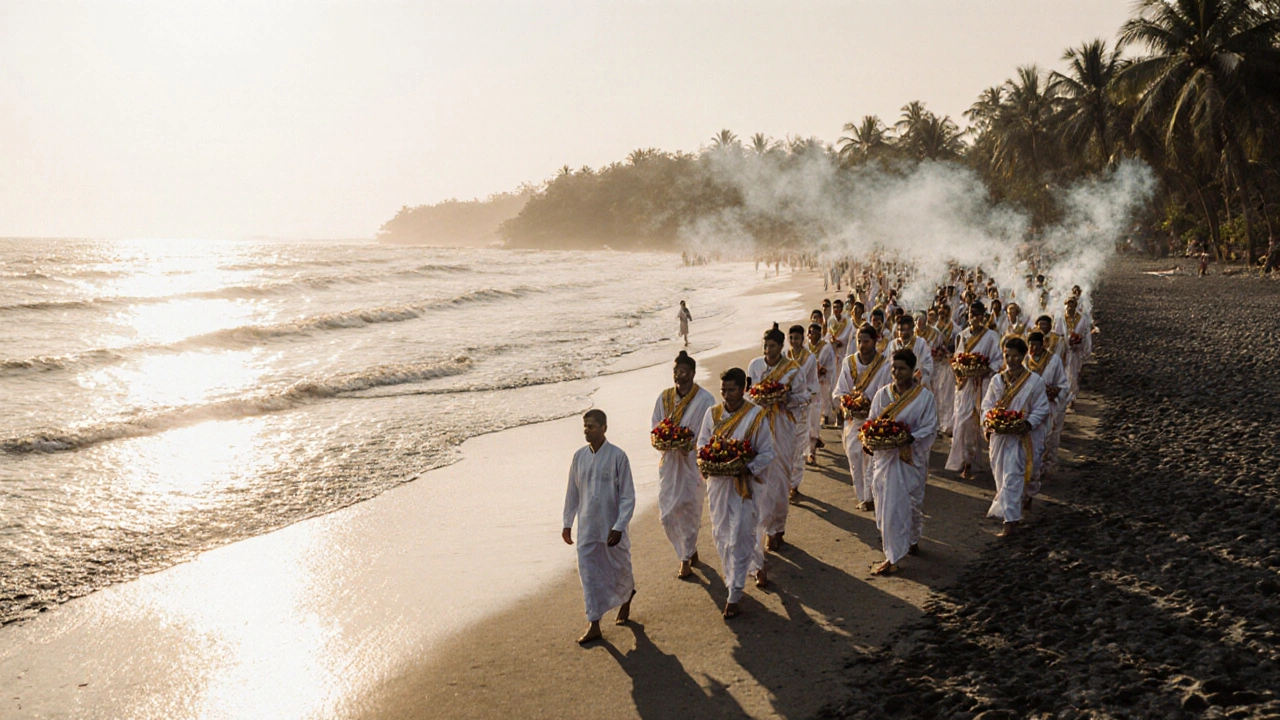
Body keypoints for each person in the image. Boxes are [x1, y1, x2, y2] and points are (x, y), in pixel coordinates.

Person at [697, 368, 776, 617]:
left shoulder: (755, 416)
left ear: (743, 388)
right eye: (723, 390)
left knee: (741, 531)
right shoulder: (713, 414)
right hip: (719, 484)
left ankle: (734, 591)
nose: (727, 395)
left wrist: (746, 467)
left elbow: (766, 453)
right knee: (721, 534)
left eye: (732, 390)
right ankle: (755, 566)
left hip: (745, 485)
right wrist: (710, 462)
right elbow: (702, 444)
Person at [562, 409, 636, 643]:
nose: (587, 431)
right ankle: (594, 623)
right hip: (587, 528)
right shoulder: (579, 457)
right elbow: (572, 493)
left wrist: (619, 526)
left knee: (619, 568)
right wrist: (567, 523)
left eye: (591, 426)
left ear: (604, 428)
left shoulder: (618, 457)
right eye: (585, 426)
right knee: (589, 573)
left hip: (611, 527)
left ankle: (626, 597)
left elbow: (627, 497)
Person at [866, 348, 938, 575]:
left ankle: (904, 546)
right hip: (885, 458)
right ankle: (894, 553)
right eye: (894, 368)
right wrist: (869, 441)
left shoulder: (925, 397)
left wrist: (909, 438)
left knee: (911, 503)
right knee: (886, 505)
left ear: (913, 370)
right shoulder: (882, 395)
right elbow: (871, 421)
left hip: (911, 459)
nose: (896, 372)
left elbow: (929, 427)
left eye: (902, 369)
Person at [651, 351, 715, 579]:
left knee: (689, 508)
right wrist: (665, 441)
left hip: (691, 464)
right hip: (669, 463)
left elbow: (710, 432)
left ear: (693, 373)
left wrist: (690, 445)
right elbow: (655, 427)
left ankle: (685, 557)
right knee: (667, 513)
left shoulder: (705, 400)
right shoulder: (664, 397)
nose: (679, 375)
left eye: (683, 371)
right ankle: (687, 548)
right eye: (676, 371)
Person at [747, 324, 809, 552]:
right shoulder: (754, 365)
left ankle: (777, 528)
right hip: (758, 426)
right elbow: (747, 393)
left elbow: (803, 397)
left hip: (783, 427)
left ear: (780, 346)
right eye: (765, 344)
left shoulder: (793, 370)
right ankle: (764, 528)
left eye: (771, 345)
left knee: (780, 478)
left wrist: (785, 397)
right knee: (761, 478)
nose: (767, 349)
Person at [982, 337, 1051, 537]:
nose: (1010, 359)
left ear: (1023, 356)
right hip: (1000, 437)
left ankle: (1010, 522)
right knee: (1001, 475)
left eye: (1015, 356)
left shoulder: (1035, 381)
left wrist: (1026, 423)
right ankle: (1015, 507)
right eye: (1007, 355)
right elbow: (987, 405)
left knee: (1012, 476)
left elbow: (1042, 408)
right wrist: (989, 421)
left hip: (1022, 438)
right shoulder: (997, 380)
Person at [833, 324, 892, 512]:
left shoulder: (884, 364)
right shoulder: (849, 362)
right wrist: (847, 401)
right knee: (855, 459)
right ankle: (862, 496)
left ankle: (870, 497)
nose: (861, 345)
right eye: (859, 341)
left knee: (871, 459)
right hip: (854, 419)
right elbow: (841, 390)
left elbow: (886, 392)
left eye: (866, 341)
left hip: (874, 419)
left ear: (875, 341)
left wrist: (870, 404)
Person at [945, 302, 1004, 479]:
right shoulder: (962, 335)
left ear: (983, 317)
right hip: (965, 385)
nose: (974, 317)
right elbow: (957, 358)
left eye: (978, 314)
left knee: (979, 424)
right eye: (972, 314)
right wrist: (960, 369)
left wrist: (985, 369)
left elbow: (998, 360)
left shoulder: (992, 336)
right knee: (962, 423)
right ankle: (963, 462)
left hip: (984, 384)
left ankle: (975, 462)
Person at [1024, 331, 1067, 486]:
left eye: (1036, 345)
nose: (1033, 348)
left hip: (1047, 406)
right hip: (1027, 406)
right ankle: (1029, 471)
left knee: (1044, 439)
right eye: (1031, 345)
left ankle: (1040, 469)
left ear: (1043, 344)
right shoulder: (1024, 359)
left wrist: (1055, 392)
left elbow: (1063, 384)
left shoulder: (1054, 360)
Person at [785, 325, 818, 501]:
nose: (794, 341)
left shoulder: (809, 358)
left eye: (797, 338)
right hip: (784, 408)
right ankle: (785, 483)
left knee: (798, 449)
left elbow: (812, 382)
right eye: (791, 338)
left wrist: (807, 397)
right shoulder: (784, 356)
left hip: (802, 405)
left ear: (803, 339)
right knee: (785, 449)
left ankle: (794, 485)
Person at [806, 320, 837, 460]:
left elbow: (826, 364)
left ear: (819, 334)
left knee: (814, 417)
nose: (810, 335)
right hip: (806, 388)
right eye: (809, 333)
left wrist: (819, 371)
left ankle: (812, 449)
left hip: (820, 383)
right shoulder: (806, 348)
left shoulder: (825, 347)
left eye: (813, 333)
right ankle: (809, 447)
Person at [884, 314, 934, 386]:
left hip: (915, 383)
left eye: (903, 330)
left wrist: (918, 376)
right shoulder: (892, 344)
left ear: (911, 329)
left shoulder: (920, 343)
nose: (900, 333)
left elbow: (928, 365)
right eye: (899, 330)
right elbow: (886, 365)